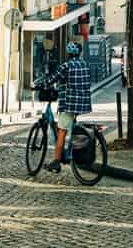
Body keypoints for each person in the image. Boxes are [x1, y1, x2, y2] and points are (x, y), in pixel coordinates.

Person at [44, 41, 92, 173]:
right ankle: (70, 150)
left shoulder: (66, 66)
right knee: (70, 127)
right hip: (83, 104)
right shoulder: (85, 64)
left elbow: (52, 78)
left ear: (68, 53)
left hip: (69, 104)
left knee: (62, 131)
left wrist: (42, 84)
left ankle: (56, 162)